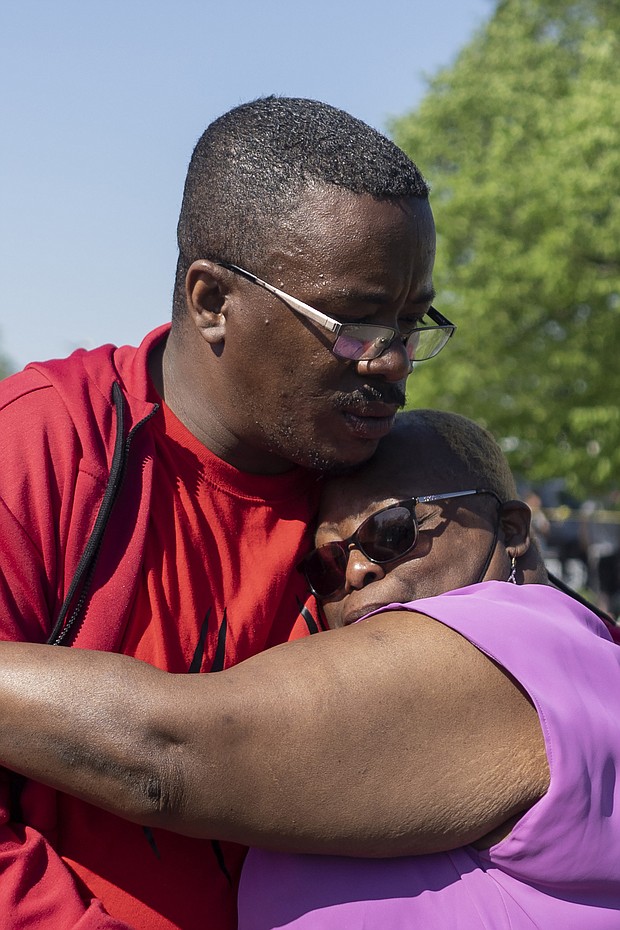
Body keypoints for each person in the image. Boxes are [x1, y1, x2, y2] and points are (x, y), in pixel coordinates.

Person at [0, 96, 451, 929]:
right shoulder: (40, 450)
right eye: (353, 322)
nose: (393, 362)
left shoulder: (401, 507)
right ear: (211, 301)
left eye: (412, 320)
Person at [0, 411, 618, 928]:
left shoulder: (515, 648)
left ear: (509, 530)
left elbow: (164, 752)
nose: (354, 574)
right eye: (325, 564)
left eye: (390, 530)